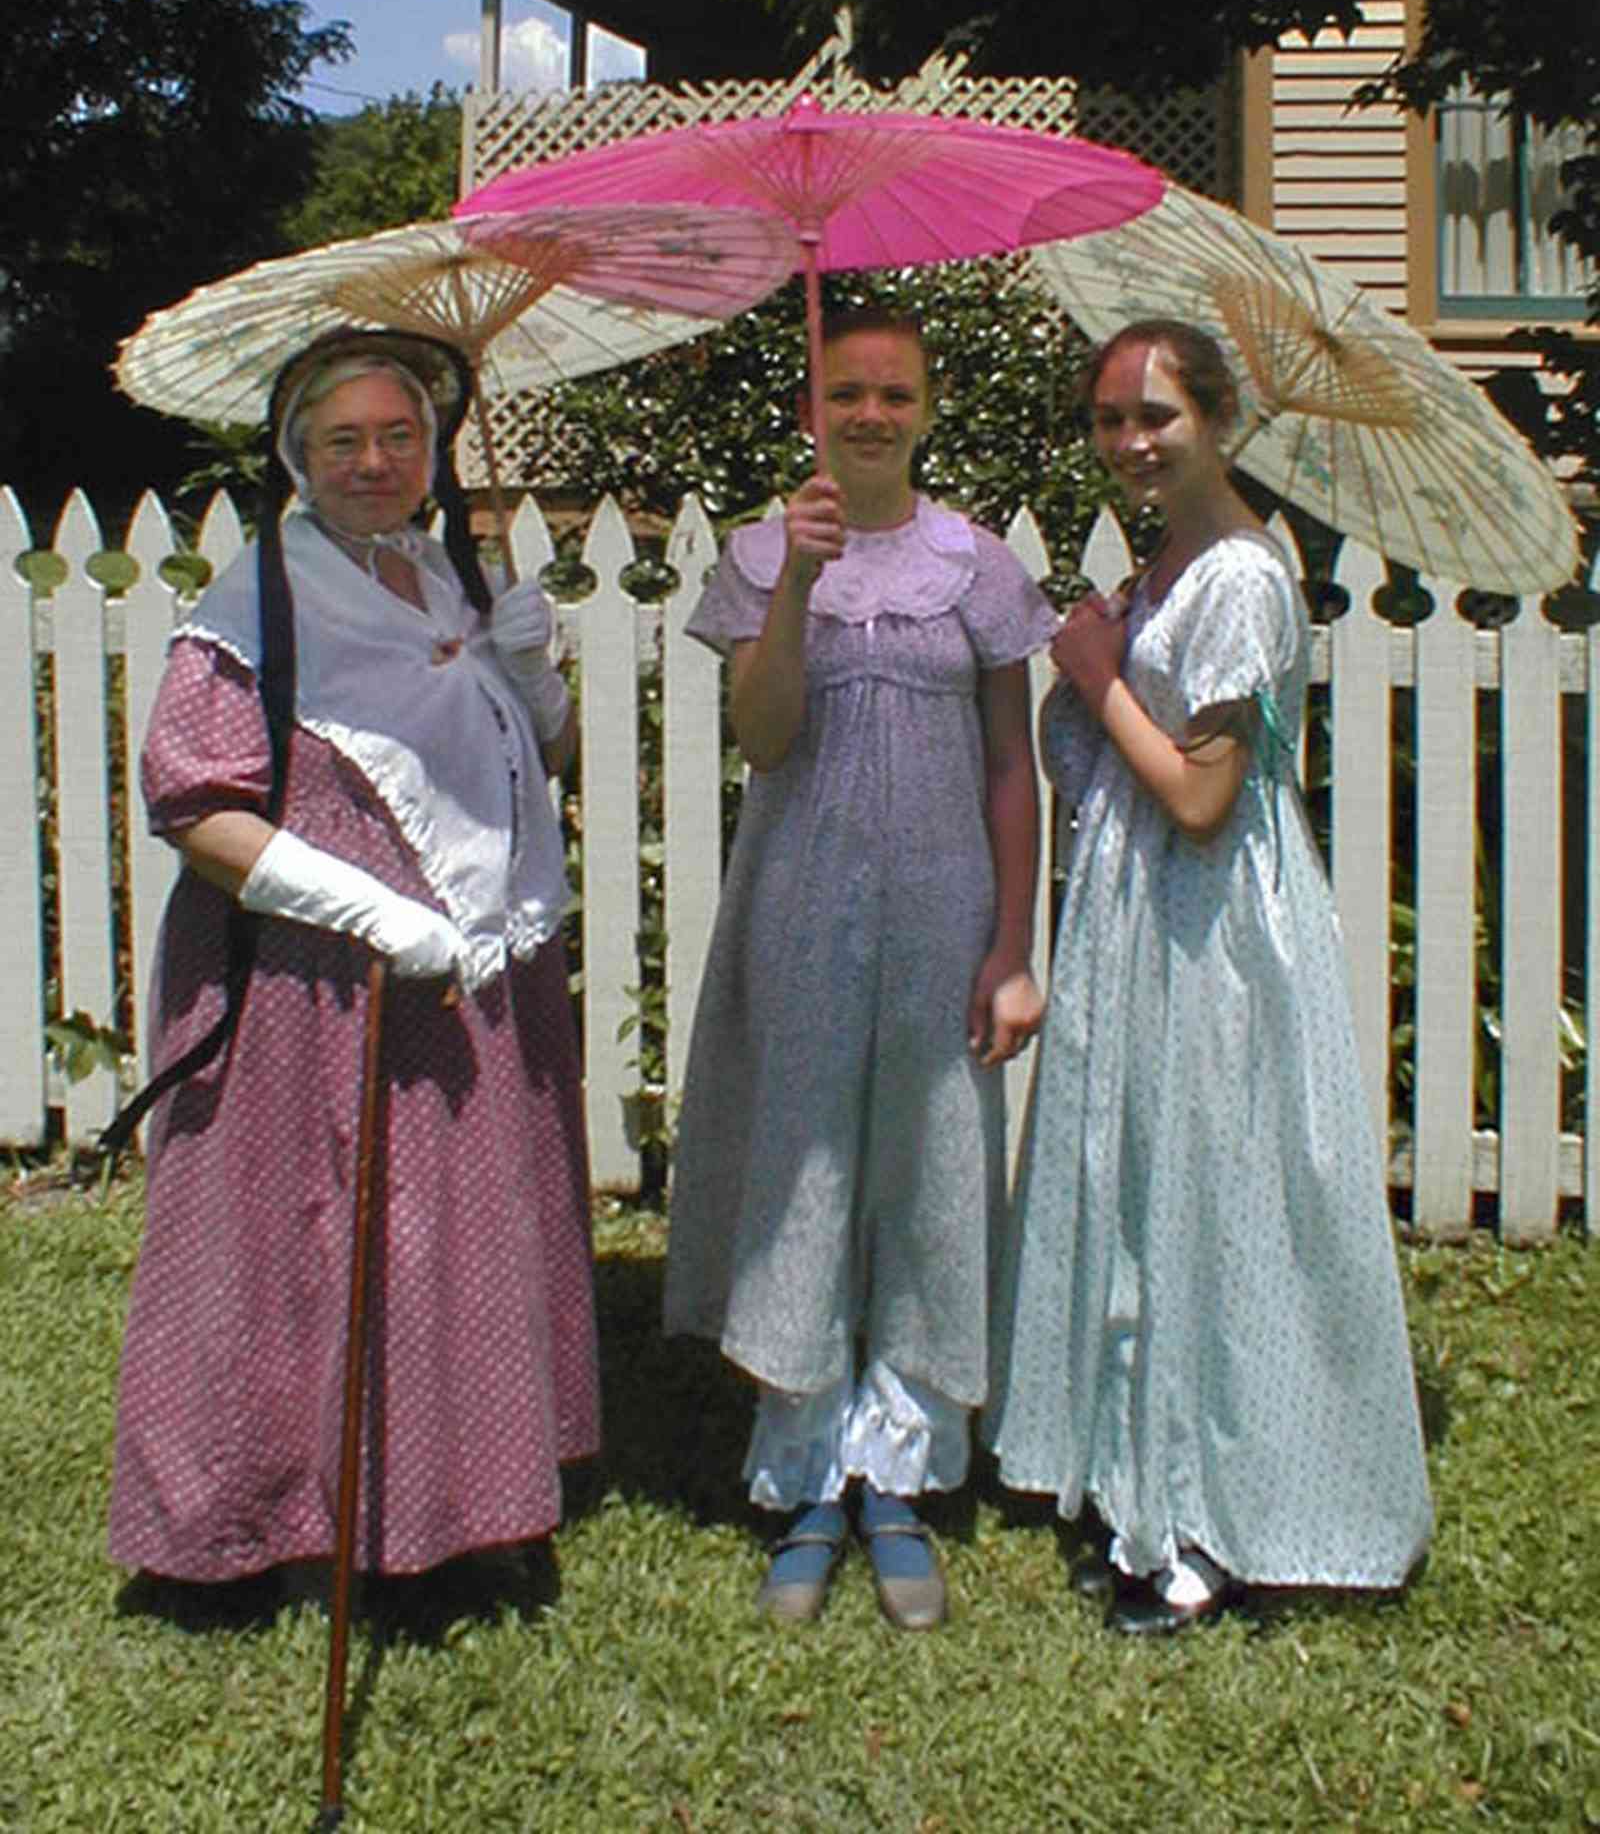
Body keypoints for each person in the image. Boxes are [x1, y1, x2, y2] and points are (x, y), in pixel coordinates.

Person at [108, 327, 600, 1592]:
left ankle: (467, 1503)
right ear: (295, 456)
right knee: (311, 1239)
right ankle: (272, 1522)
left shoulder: (446, 577)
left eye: (399, 436)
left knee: (455, 1242)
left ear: (432, 450)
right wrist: (366, 908)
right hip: (313, 988)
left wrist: (536, 673)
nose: (375, 462)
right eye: (344, 441)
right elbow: (191, 802)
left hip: (472, 965)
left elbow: (532, 766)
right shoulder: (257, 603)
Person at [986, 319, 1432, 1633]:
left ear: (1221, 422)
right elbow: (1112, 768)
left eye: (1159, 416)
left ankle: (1215, 1517)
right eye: (1112, 417)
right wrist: (1104, 660)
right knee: (1144, 1188)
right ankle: (1144, 1473)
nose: (1132, 440)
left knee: (1219, 1192)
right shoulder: (1167, 558)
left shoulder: (1244, 574)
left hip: (1216, 926)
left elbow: (1194, 792)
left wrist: (1093, 675)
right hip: (1141, 914)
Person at [663, 307, 1059, 1630]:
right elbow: (764, 738)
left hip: (945, 914)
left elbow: (1015, 768)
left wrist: (1011, 946)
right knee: (804, 1171)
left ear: (930, 411)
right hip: (801, 906)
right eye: (848, 392)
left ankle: (898, 1474)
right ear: (811, 411)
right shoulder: (760, 553)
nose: (872, 414)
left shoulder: (980, 567)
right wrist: (795, 584)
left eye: (896, 394)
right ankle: (806, 1475)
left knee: (927, 1172)